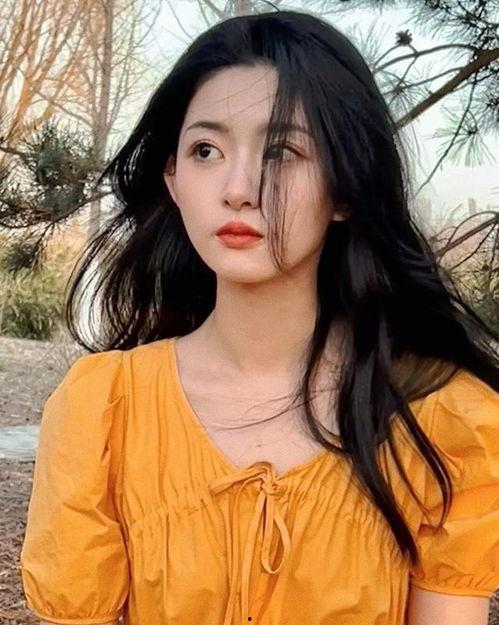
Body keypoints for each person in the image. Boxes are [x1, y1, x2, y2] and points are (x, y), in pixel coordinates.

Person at [20, 8, 499, 625]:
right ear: (173, 178)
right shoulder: (106, 411)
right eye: (206, 150)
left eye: (282, 150)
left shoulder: (442, 421)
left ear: (345, 189)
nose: (239, 188)